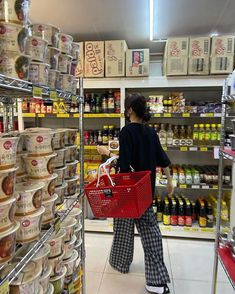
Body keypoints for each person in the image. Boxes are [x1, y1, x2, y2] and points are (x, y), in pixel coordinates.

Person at [97, 93, 174, 294]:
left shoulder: (126, 132)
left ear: (129, 109)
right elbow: (163, 159)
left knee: (122, 230)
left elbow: (125, 165)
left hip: (127, 191)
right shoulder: (151, 133)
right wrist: (170, 182)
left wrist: (107, 154)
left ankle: (120, 263)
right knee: (151, 234)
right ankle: (156, 280)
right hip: (145, 191)